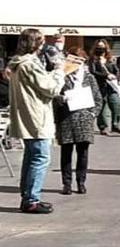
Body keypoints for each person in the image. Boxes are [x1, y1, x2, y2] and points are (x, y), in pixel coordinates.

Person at [8, 29, 65, 213]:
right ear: (35, 44)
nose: (43, 46)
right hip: (36, 116)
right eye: (41, 42)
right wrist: (59, 71)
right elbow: (50, 89)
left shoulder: (17, 63)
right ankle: (31, 199)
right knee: (40, 157)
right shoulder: (29, 64)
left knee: (31, 156)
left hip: (26, 115)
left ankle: (27, 195)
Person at [53, 49, 102, 195]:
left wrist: (93, 114)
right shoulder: (62, 77)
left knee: (83, 153)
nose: (76, 64)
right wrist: (61, 99)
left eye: (80, 61)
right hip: (66, 119)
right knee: (66, 153)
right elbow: (53, 96)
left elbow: (98, 98)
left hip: (84, 119)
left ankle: (81, 182)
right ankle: (66, 184)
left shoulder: (89, 78)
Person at [89, 39, 120, 135]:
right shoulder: (93, 60)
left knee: (116, 104)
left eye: (102, 47)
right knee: (102, 106)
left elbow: (117, 70)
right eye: (98, 47)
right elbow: (93, 72)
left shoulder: (110, 59)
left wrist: (115, 76)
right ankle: (103, 127)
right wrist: (105, 75)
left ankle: (115, 125)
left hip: (112, 86)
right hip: (100, 85)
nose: (101, 49)